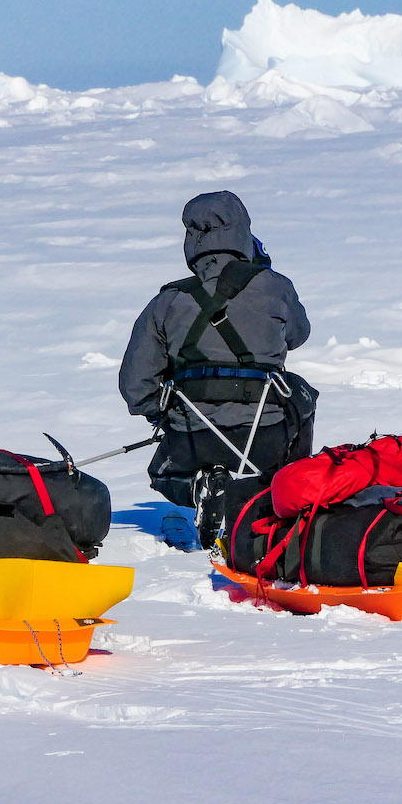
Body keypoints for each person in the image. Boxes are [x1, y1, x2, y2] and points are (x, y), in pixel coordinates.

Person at [119, 191, 317, 547]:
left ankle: (199, 486)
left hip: (192, 439)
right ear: (244, 233)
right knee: (299, 391)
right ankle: (287, 488)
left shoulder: (167, 301)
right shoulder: (276, 287)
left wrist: (162, 413)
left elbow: (135, 384)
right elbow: (299, 336)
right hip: (266, 435)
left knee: (164, 473)